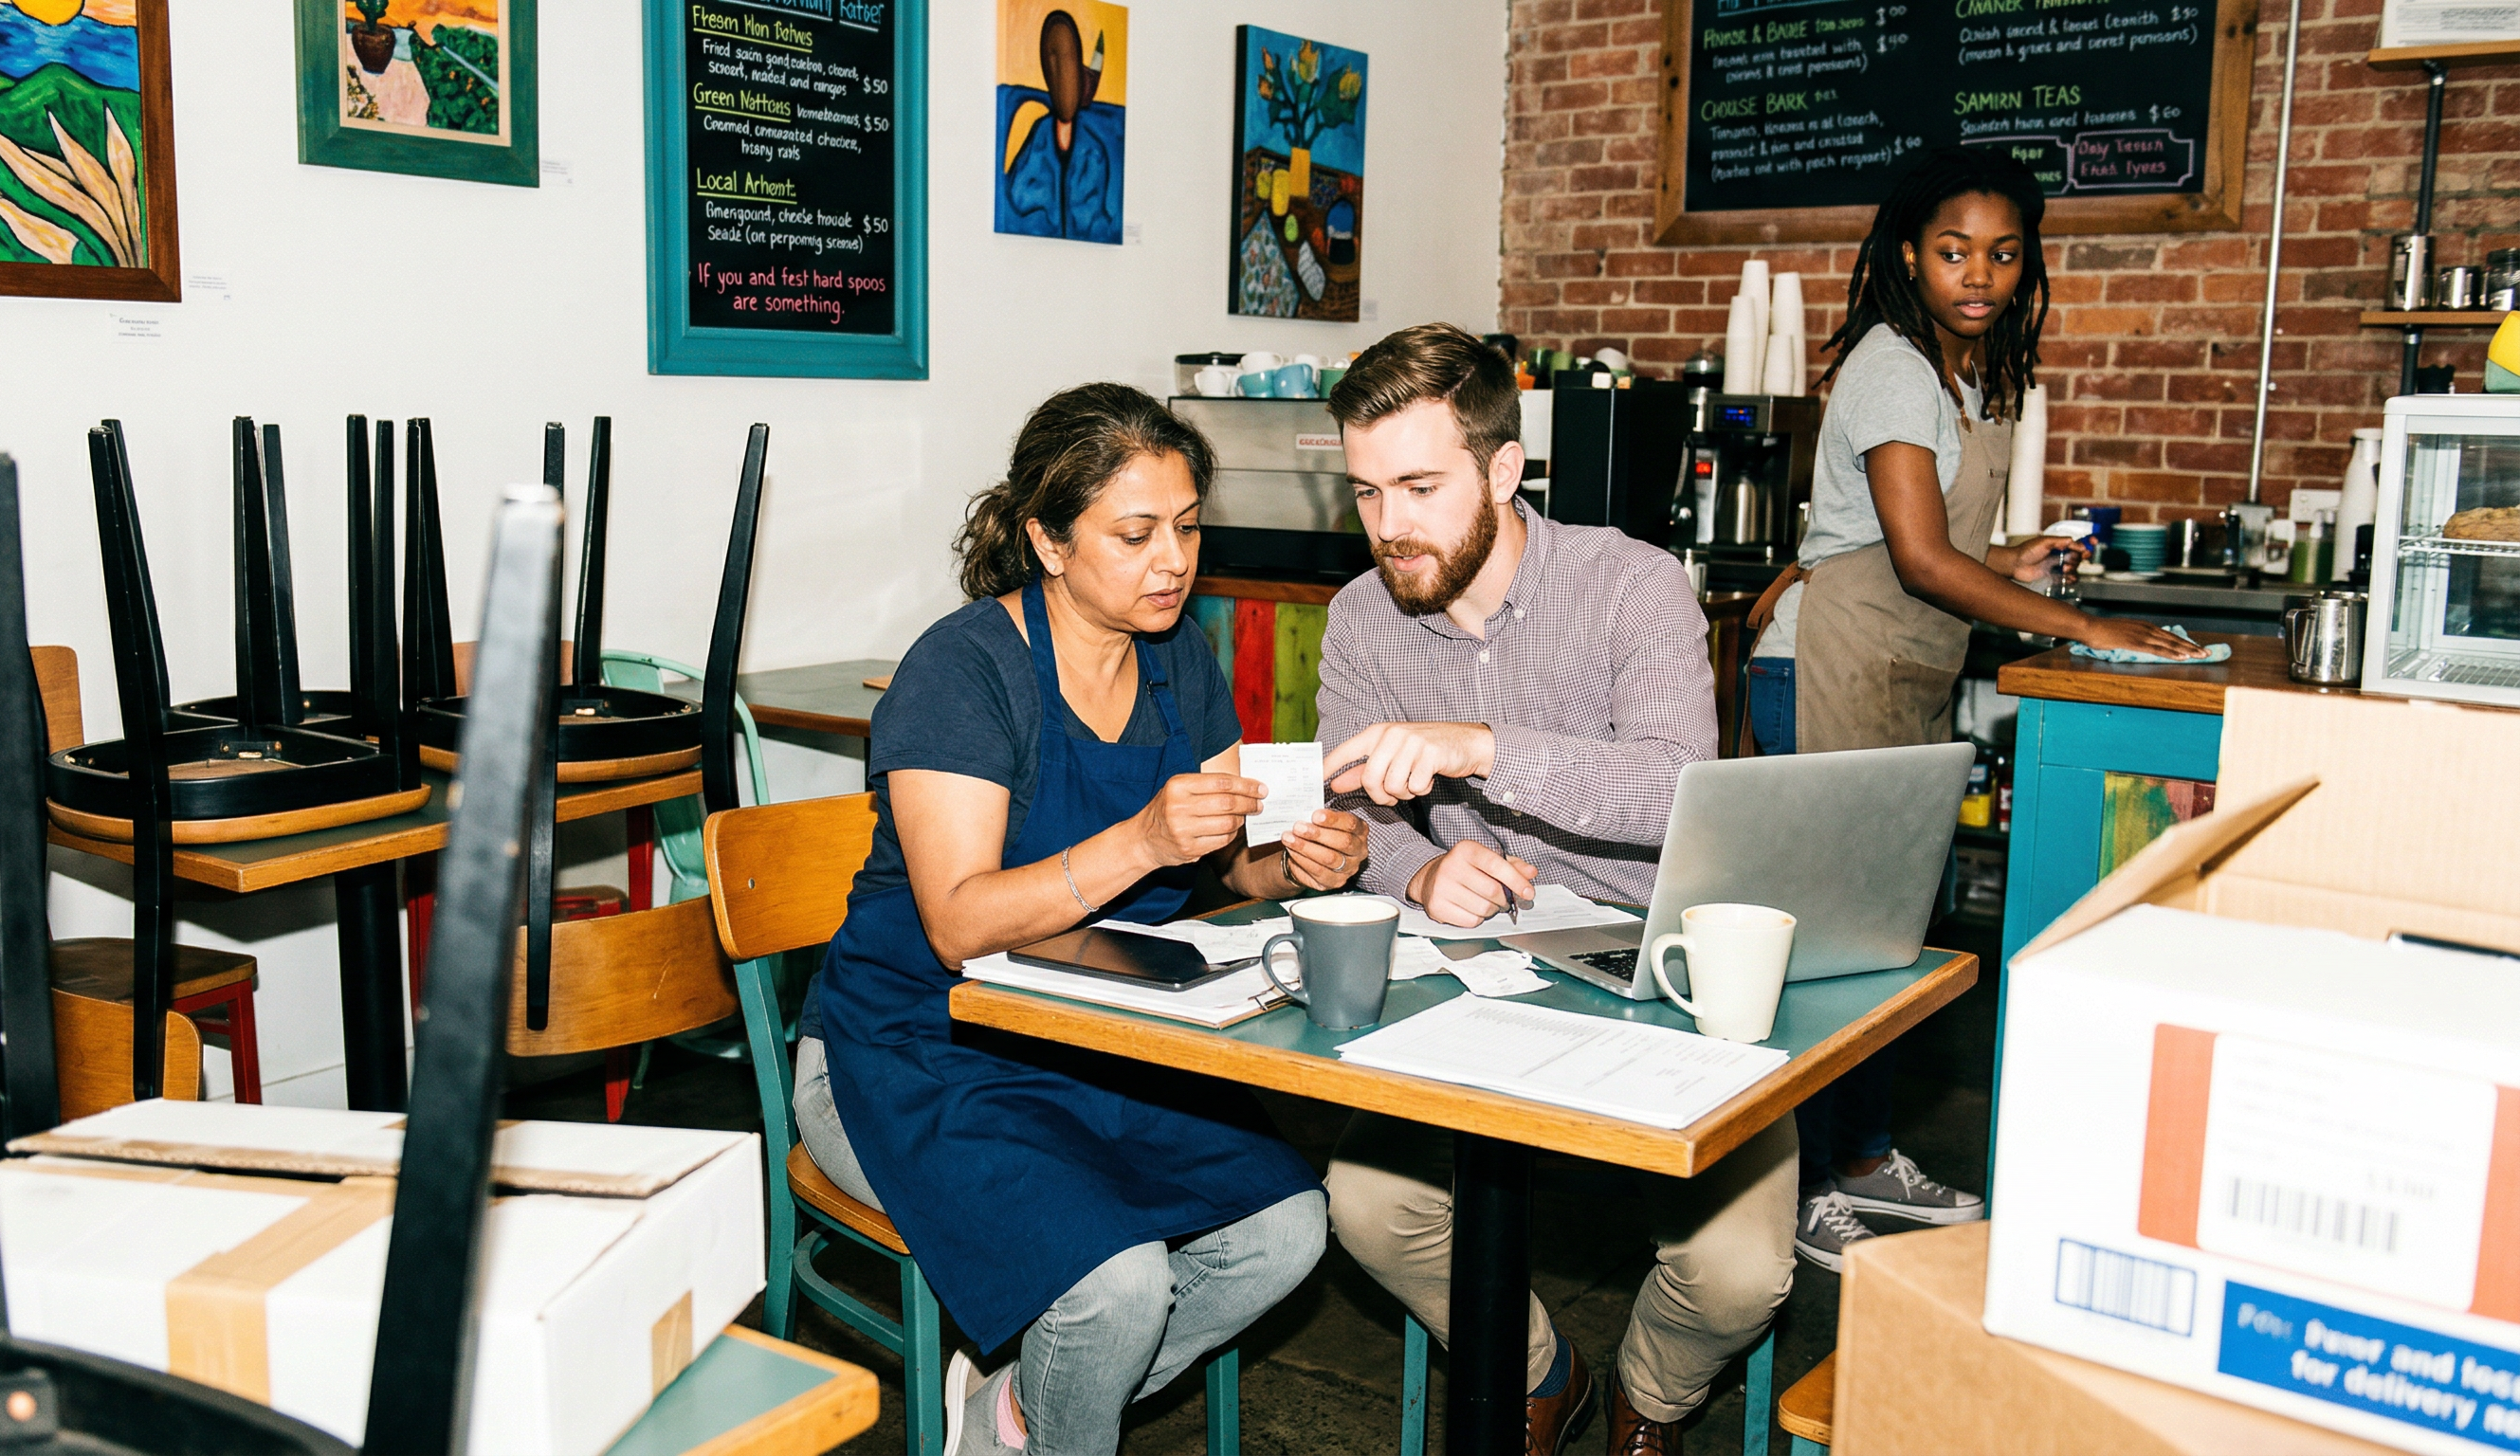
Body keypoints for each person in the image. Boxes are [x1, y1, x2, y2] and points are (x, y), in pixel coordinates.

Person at [794, 383, 1366, 1456]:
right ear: (1047, 542)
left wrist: (1294, 865)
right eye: (1135, 535)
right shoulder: (963, 671)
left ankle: (1017, 1407)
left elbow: (1228, 867)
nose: (1173, 562)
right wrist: (1142, 841)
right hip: (916, 1043)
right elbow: (958, 924)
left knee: (1286, 1232)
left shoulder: (1178, 659)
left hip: (1100, 1033)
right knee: (1115, 1287)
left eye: (1188, 527)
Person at [1314, 323, 1797, 1456]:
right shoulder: (1360, 616)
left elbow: (1676, 788)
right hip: (1476, 981)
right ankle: (1541, 1371)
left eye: (1420, 488)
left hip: (1660, 961)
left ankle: (1651, 1396)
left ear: (1502, 470)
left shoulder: (1631, 584)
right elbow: (1349, 812)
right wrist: (1419, 868)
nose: (1389, 526)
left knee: (1738, 1274)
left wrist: (1482, 748)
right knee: (1368, 1207)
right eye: (1367, 492)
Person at [1739, 147, 2205, 1275]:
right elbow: (1914, 558)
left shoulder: (1968, 373)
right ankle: (1799, 1189)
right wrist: (2085, 626)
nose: (1980, 275)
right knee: (1816, 947)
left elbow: (1932, 548)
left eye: (2002, 253)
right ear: (1909, 255)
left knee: (1883, 939)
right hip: (1823, 666)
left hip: (1896, 672)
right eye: (1954, 251)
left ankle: (1861, 1156)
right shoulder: (1895, 369)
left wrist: (2012, 562)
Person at [996, 9, 1123, 242]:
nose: (1062, 79)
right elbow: (1018, 194)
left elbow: (1097, 218)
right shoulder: (1041, 135)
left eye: (1068, 68)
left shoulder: (1093, 151)